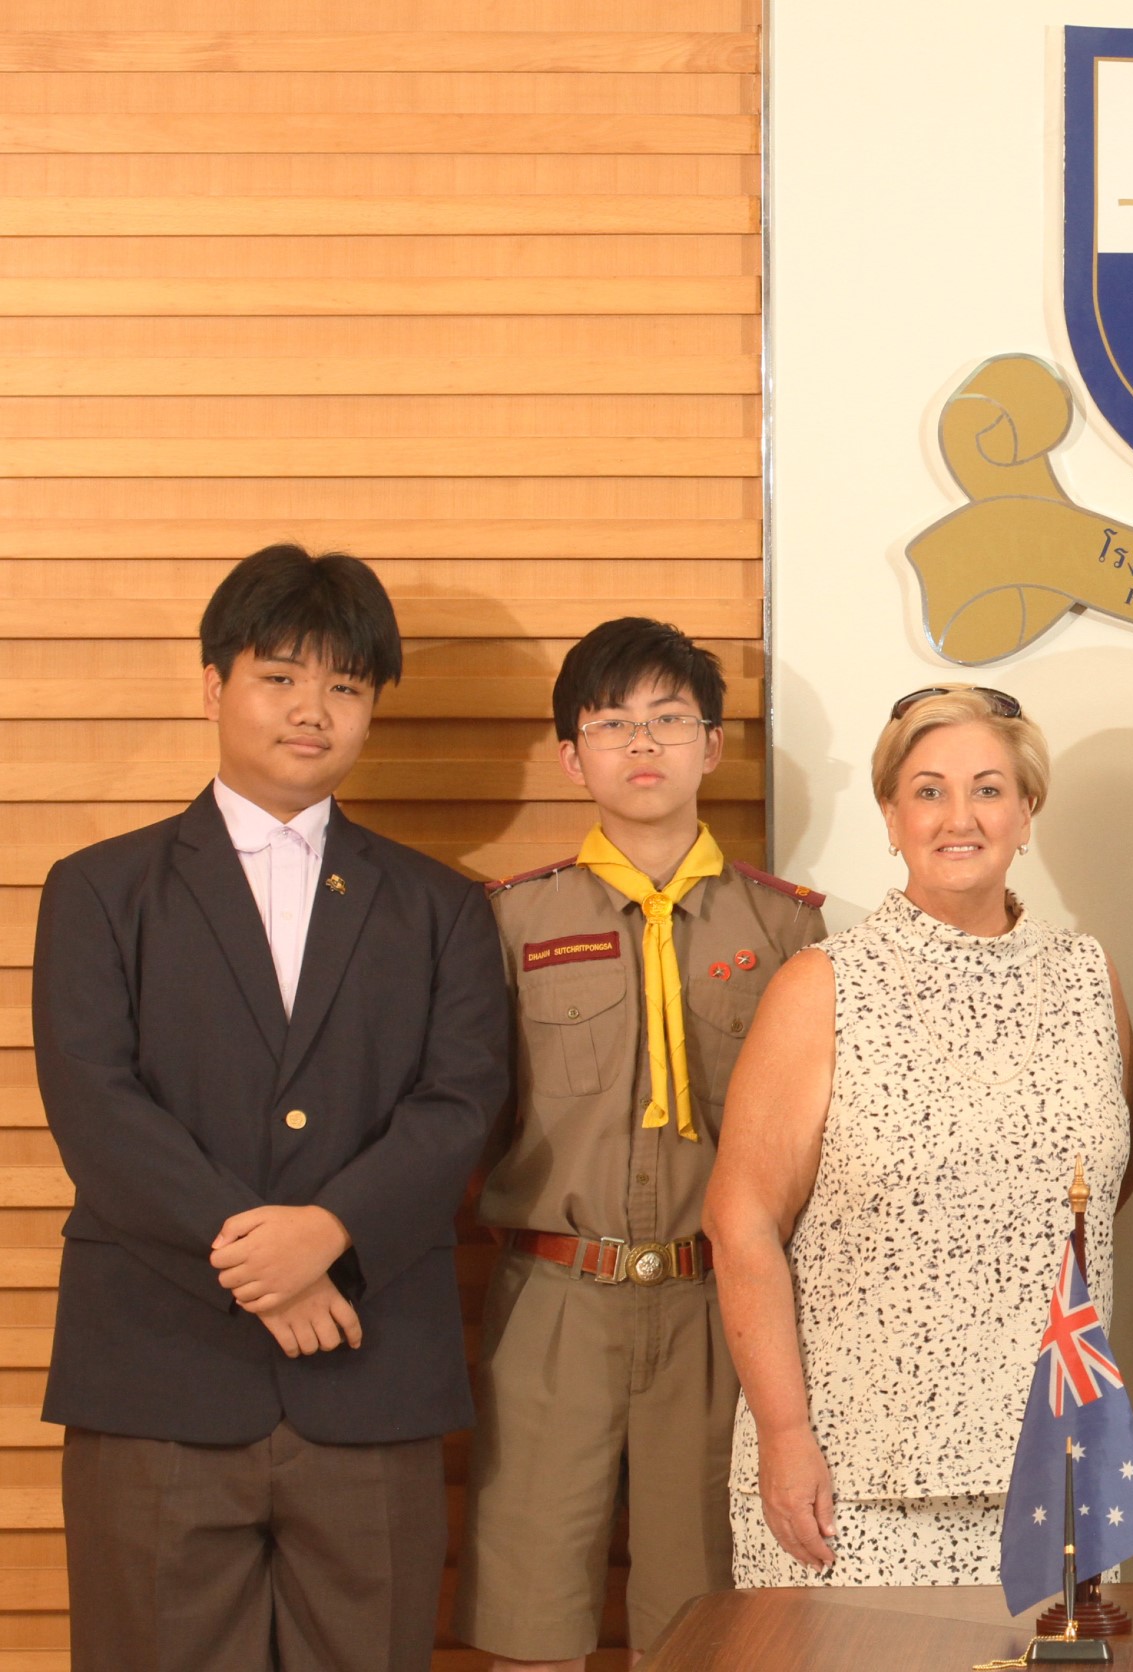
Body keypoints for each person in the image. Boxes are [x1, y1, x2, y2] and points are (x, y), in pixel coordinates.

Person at [33, 545, 510, 1672]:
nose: (313, 710)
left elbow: (462, 1103)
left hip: (369, 1374)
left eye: (346, 685)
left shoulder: (441, 907)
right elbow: (95, 1104)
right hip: (158, 1375)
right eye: (281, 676)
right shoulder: (98, 888)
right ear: (214, 685)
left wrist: (330, 1232)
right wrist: (265, 1263)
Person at [705, 685, 1133, 1584]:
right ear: (891, 815)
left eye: (989, 789)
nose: (959, 816)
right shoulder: (822, 985)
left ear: (1026, 813)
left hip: (1059, 1473)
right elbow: (740, 1224)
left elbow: (1112, 1180)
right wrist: (784, 1435)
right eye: (929, 791)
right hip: (854, 1486)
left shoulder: (1089, 977)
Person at [455, 619, 827, 1669]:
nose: (644, 742)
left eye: (670, 718)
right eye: (613, 724)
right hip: (554, 1298)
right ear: (572, 757)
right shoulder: (510, 923)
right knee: (529, 1615)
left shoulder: (788, 929)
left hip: (722, 1301)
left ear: (714, 745)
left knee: (704, 1619)